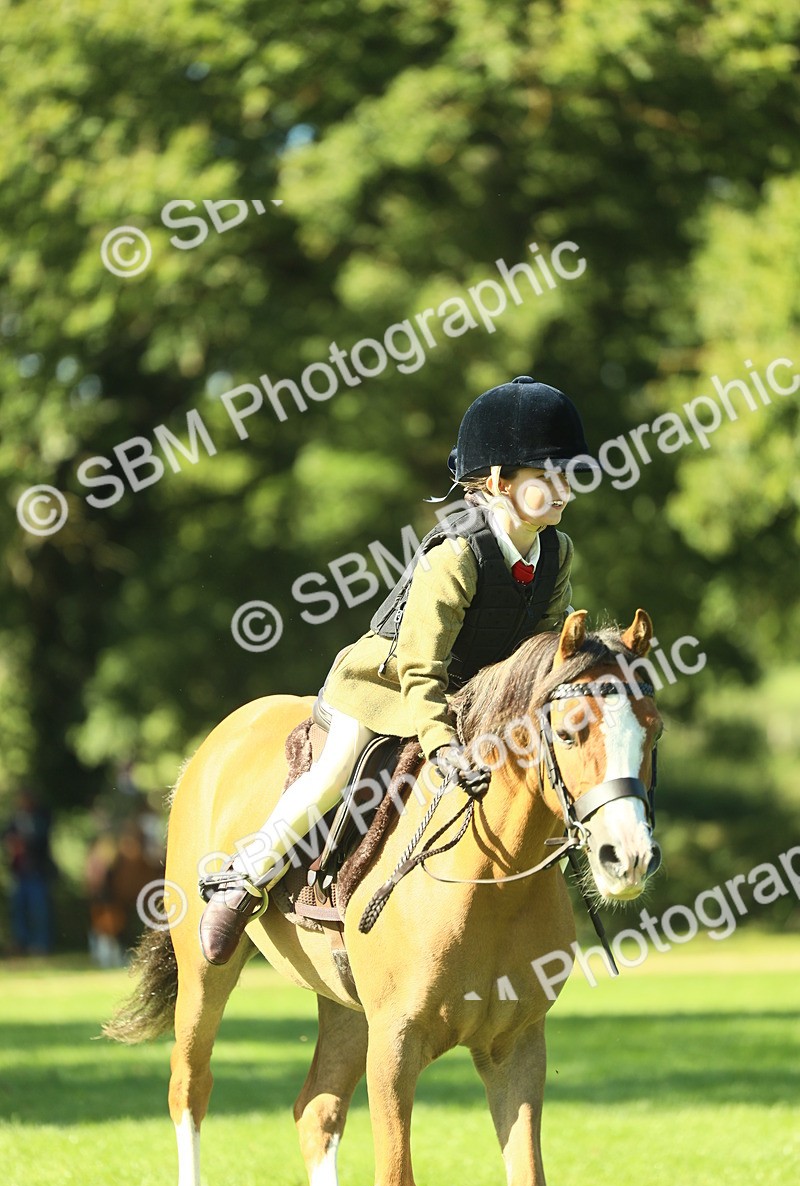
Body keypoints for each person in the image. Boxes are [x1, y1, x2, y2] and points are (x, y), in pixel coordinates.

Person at [199, 376, 592, 964]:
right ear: (497, 481)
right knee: (334, 771)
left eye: (569, 475)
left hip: (475, 695)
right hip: (383, 686)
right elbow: (420, 667)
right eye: (548, 475)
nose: (565, 489)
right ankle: (246, 876)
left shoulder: (557, 552)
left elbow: (542, 650)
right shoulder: (455, 555)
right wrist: (441, 747)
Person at [3, 786, 56, 956]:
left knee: (39, 910)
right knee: (18, 911)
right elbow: (6, 837)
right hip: (19, 873)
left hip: (37, 872)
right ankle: (21, 943)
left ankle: (40, 944)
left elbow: (41, 840)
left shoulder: (41, 818)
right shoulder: (15, 819)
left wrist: (23, 843)